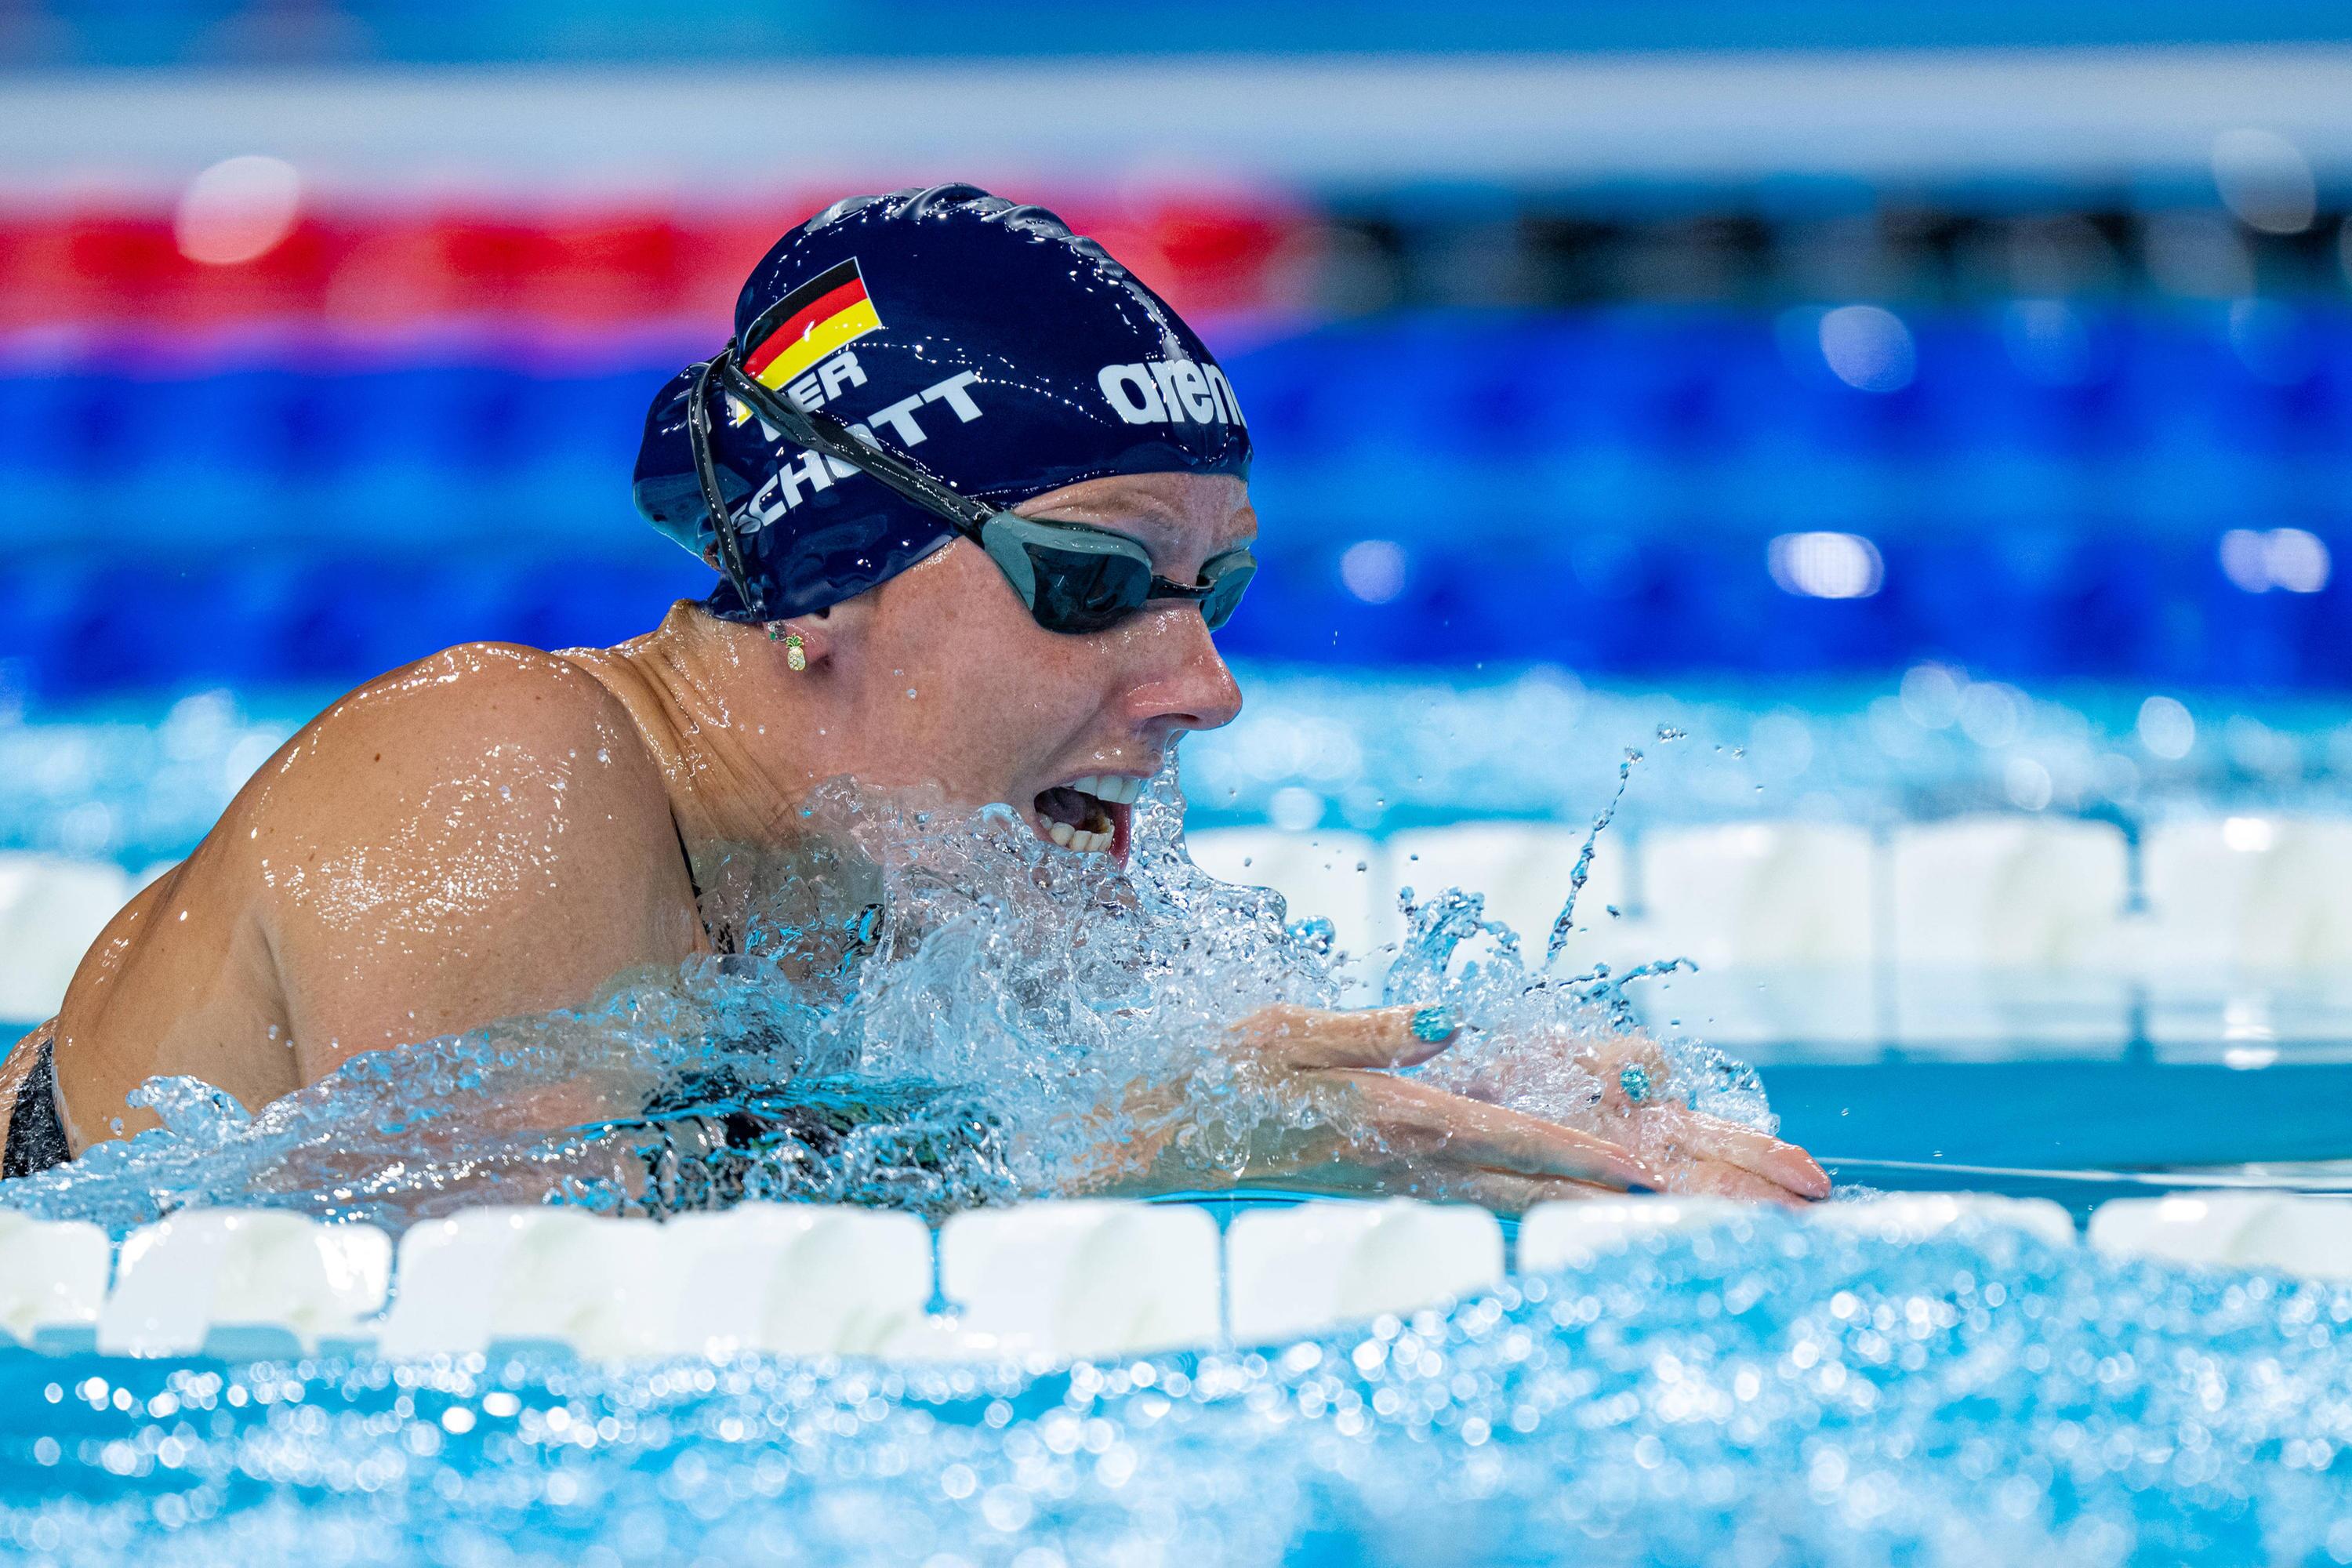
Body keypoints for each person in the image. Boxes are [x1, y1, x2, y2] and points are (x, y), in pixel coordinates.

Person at [1, 186, 1826, 1207]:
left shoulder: (935, 858)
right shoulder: (500, 773)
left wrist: (1440, 1103)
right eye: (1092, 582)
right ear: (824, 580)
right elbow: (500, 1308)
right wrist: (1148, 1142)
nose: (1204, 688)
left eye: (1214, 593)